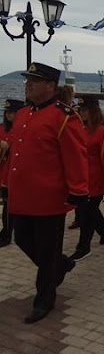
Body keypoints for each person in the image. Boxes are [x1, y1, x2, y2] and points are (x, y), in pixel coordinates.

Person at [2, 62, 89, 323]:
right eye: (27, 80)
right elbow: (16, 153)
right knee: (22, 239)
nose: (27, 84)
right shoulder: (22, 114)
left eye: (34, 80)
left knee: (47, 250)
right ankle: (60, 266)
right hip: (22, 195)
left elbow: (76, 157)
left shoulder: (64, 117)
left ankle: (44, 299)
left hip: (49, 197)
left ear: (51, 86)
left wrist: (78, 190)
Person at [69, 97, 104, 261]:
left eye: (85, 110)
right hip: (80, 179)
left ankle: (83, 247)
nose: (81, 113)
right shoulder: (80, 129)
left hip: (95, 180)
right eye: (80, 110)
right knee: (88, 211)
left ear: (93, 111)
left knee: (86, 215)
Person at [0, 99, 25, 247]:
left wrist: (8, 148)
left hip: (15, 175)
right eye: (7, 112)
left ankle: (7, 234)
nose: (8, 115)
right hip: (3, 173)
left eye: (12, 112)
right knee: (7, 205)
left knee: (9, 206)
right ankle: (6, 231)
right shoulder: (2, 128)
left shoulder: (22, 130)